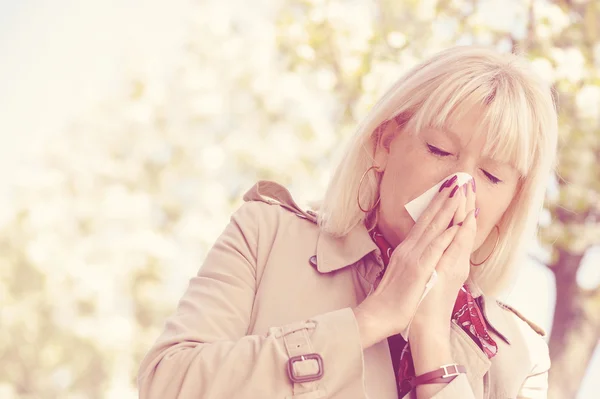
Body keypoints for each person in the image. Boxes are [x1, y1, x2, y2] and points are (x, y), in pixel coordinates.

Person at [137, 46, 558, 399]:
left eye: (491, 176)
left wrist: (432, 338)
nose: (459, 185)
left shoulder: (522, 355)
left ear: (510, 206)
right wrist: (367, 321)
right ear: (385, 143)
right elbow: (168, 383)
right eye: (439, 149)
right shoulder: (267, 235)